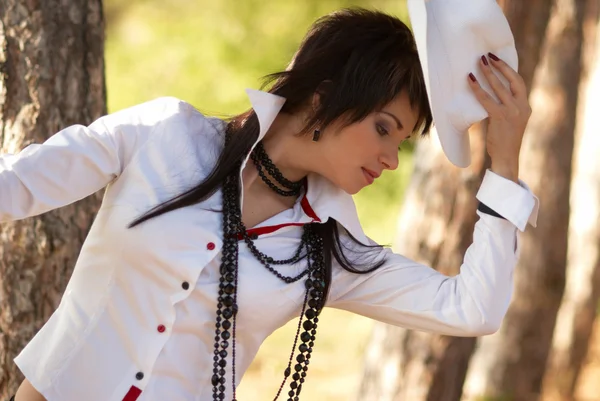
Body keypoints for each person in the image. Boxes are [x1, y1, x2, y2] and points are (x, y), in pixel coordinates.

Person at [1, 8, 537, 401]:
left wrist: (506, 160)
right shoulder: (161, 136)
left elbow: (474, 308)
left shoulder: (332, 251)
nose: (390, 159)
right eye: (383, 129)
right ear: (324, 97)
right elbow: (17, 185)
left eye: (399, 142)